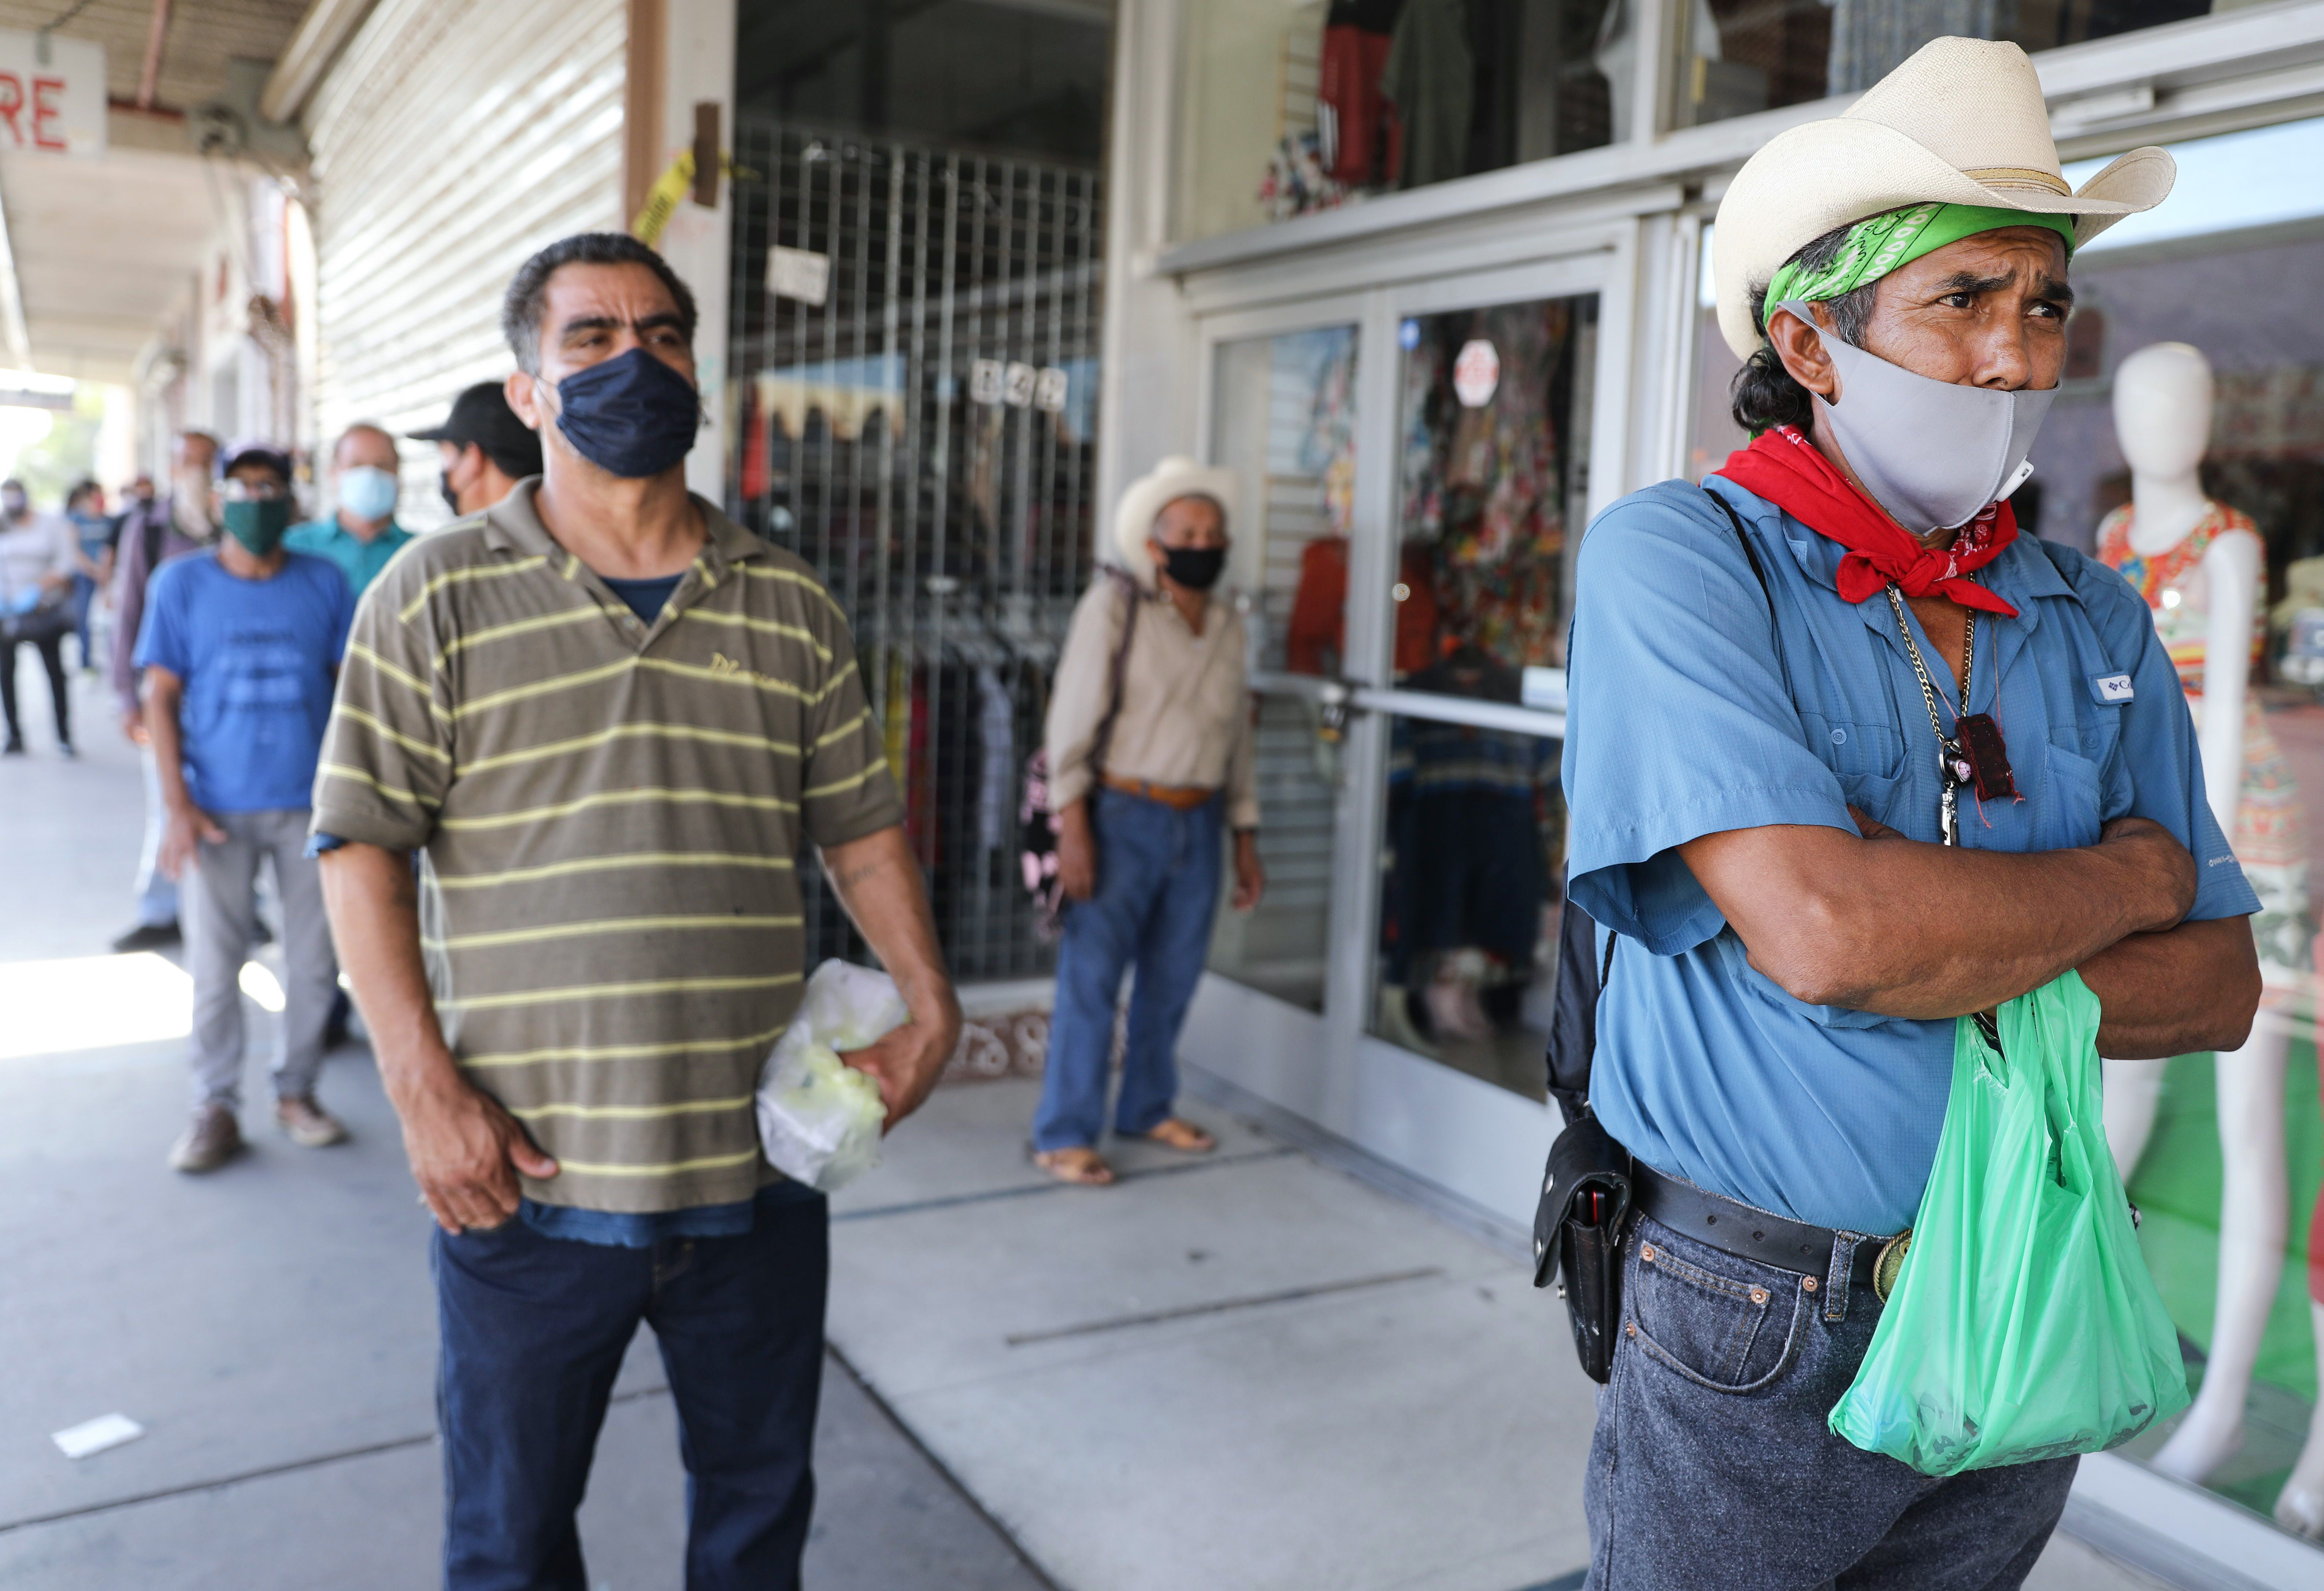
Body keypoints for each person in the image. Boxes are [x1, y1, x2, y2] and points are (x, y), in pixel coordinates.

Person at [1560, 39, 2264, 1589]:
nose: (2016, 356)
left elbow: (2217, 987)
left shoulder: (2087, 609)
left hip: (2027, 1277)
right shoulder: (1681, 560)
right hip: (1756, 1310)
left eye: (2044, 305)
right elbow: (1830, 935)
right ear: (1810, 343)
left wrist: (1939, 946)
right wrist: (2125, 879)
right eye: (1962, 300)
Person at [312, 231, 962, 1591]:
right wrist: (422, 1092)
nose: (635, 360)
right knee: (508, 1542)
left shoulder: (788, 603)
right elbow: (362, 848)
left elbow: (858, 827)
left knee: (756, 1522)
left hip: (757, 1171)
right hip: (526, 1181)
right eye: (592, 339)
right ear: (528, 390)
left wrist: (931, 1003)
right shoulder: (432, 593)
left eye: (662, 335)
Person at [1033, 456, 1265, 1187]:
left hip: (1201, 823)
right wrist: (1073, 825)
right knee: (1093, 981)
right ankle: (1065, 1132)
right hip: (1119, 818)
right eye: (1187, 533)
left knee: (1172, 979)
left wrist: (1245, 836)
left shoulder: (1227, 625)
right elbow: (1069, 722)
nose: (1203, 544)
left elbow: (1236, 739)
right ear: (1154, 545)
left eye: (1213, 533)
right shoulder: (1114, 608)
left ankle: (1146, 1107)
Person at [137, 441, 355, 1173]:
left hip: (312, 808)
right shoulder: (182, 583)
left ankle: (297, 1091)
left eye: (270, 488)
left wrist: (354, 799)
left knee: (313, 964)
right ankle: (216, 1106)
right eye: (242, 487)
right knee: (214, 966)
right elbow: (160, 697)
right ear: (218, 499)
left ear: (292, 502)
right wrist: (177, 807)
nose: (256, 501)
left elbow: (352, 691)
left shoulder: (324, 582)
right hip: (215, 811)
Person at [109, 432, 221, 952]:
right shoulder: (150, 529)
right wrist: (126, 697)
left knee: (230, 804)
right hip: (165, 695)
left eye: (207, 462)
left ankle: (238, 906)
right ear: (172, 468)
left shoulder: (233, 521)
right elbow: (127, 610)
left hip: (224, 697)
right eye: (188, 462)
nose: (197, 471)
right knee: (166, 801)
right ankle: (161, 910)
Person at [284, 423, 414, 599]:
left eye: (382, 466)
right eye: (356, 465)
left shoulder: (419, 552)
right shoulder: (292, 546)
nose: (370, 475)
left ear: (397, 474)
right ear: (333, 473)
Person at [0, 478, 79, 756]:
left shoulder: (50, 524)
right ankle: (14, 735)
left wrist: (38, 589)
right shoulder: (3, 525)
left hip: (44, 609)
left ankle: (64, 736)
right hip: (8, 611)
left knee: (55, 672)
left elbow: (67, 562)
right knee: (6, 674)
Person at [412, 379, 544, 516]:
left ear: (473, 457)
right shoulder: (552, 521)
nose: (445, 475)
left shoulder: (472, 530)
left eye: (445, 457)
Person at [65, 479, 111, 673]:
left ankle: (113, 661)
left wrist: (104, 572)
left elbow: (110, 548)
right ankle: (86, 662)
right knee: (84, 620)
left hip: (106, 574)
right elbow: (73, 549)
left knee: (109, 618)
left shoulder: (108, 521)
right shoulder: (77, 520)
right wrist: (92, 569)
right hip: (84, 576)